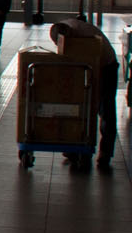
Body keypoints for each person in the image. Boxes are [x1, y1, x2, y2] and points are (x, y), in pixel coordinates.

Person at [51, 19, 119, 165]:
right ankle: (75, 147)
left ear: (71, 36)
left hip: (106, 66)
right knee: (80, 106)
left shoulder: (85, 37)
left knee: (105, 108)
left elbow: (91, 60)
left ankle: (105, 153)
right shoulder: (62, 28)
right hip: (88, 65)